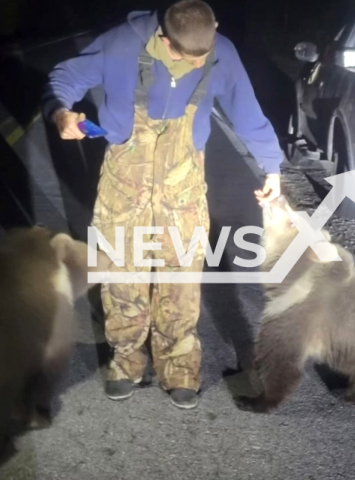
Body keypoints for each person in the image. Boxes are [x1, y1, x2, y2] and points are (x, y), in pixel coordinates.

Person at [41, 0, 283, 409]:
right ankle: (126, 362)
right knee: (121, 272)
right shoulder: (120, 43)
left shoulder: (221, 51)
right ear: (166, 41)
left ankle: (179, 368)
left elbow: (247, 110)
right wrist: (60, 111)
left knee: (181, 278)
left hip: (183, 183)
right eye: (185, 57)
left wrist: (272, 168)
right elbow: (65, 76)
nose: (196, 64)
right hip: (124, 180)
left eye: (202, 57)